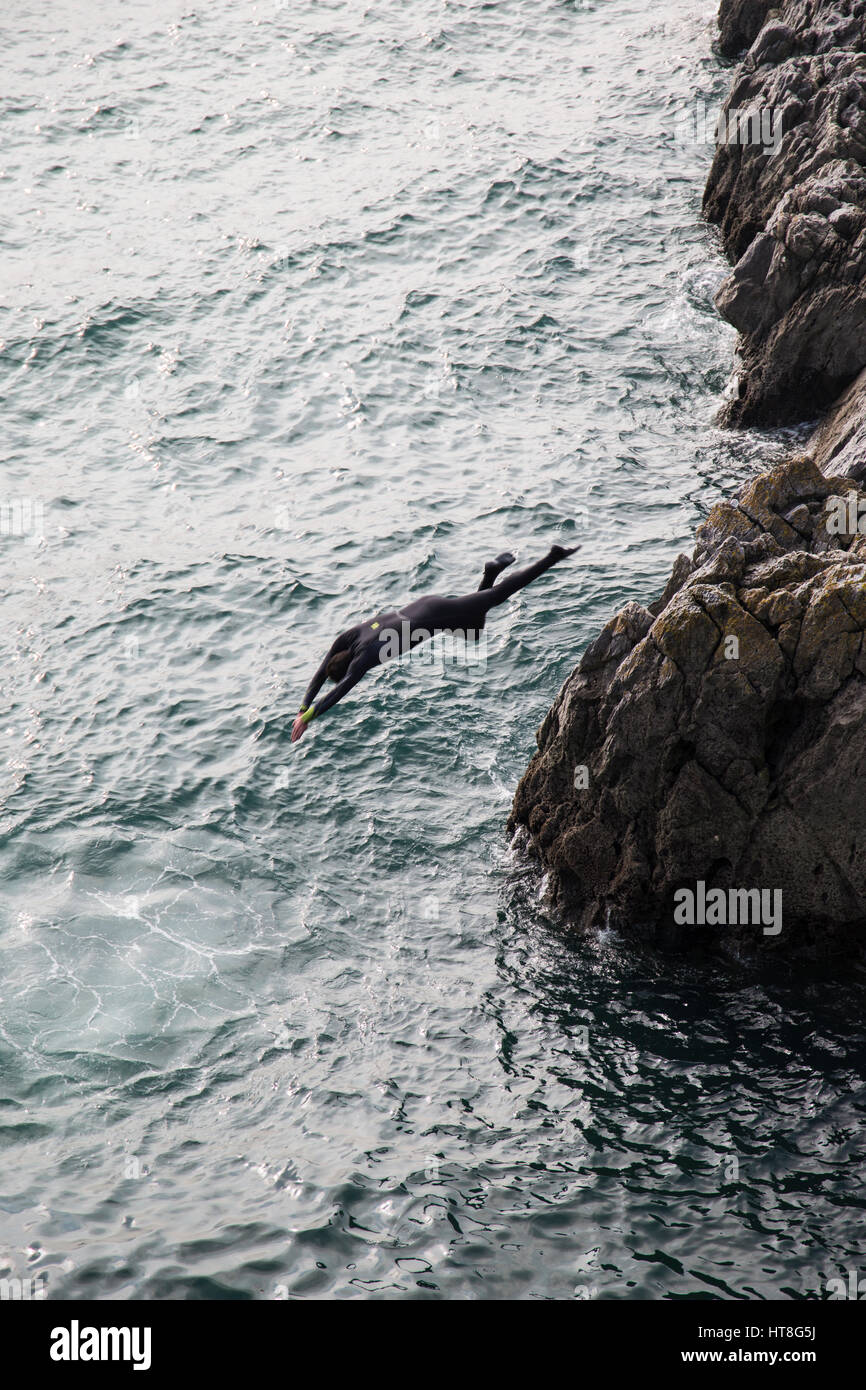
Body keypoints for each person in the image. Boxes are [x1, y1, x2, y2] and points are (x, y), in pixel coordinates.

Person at [290, 542, 579, 742]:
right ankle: (490, 573)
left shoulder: (362, 660)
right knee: (473, 630)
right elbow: (319, 674)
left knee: (495, 597)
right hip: (425, 606)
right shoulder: (348, 638)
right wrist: (303, 708)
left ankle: (551, 557)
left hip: (435, 616)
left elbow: (338, 691)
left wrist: (310, 717)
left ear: (345, 666)